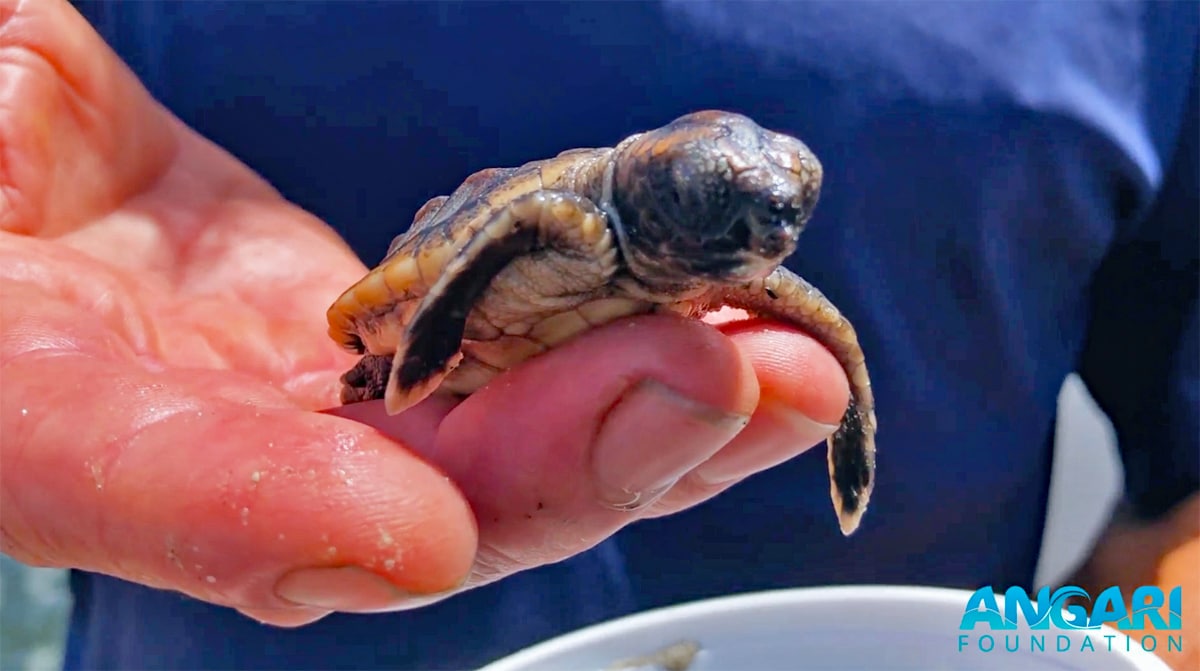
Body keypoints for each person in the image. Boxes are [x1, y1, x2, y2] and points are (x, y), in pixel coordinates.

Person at [1, 1, 1194, 669]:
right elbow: (477, 246)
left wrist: (1057, 656)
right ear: (667, 193)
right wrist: (411, 354)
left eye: (785, 222)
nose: (766, 241)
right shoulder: (565, 216)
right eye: (736, 217)